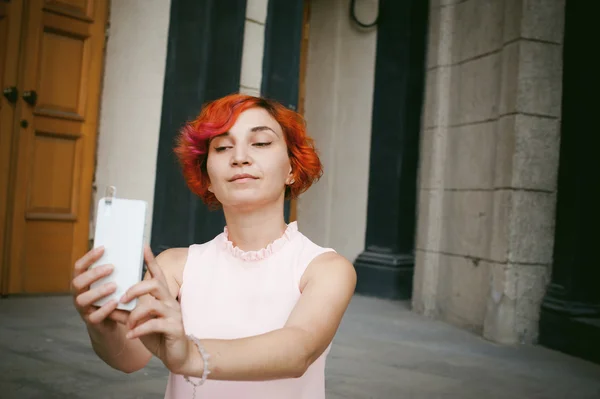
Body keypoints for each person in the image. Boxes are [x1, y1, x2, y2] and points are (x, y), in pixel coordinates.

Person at [70, 94, 357, 399]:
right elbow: (130, 359)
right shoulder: (174, 267)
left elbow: (297, 350)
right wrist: (101, 325)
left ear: (291, 169)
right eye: (222, 147)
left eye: (260, 143)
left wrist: (190, 356)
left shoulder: (325, 268)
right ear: (207, 177)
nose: (240, 157)